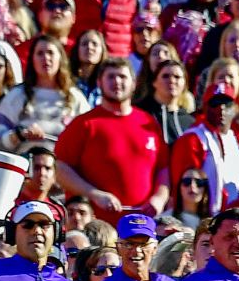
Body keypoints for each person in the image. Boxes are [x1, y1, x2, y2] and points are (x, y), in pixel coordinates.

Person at [54, 59, 170, 223]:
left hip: (141, 226)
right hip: (96, 227)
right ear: (99, 82)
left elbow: (163, 169)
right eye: (111, 77)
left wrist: (159, 198)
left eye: (122, 77)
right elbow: (60, 169)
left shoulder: (148, 123)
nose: (117, 82)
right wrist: (94, 194)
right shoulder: (84, 124)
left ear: (134, 83)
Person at [170, 82, 239, 215]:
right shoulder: (193, 138)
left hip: (231, 219)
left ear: (236, 108)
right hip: (201, 220)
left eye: (227, 103)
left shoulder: (235, 138)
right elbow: (183, 189)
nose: (221, 108)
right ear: (204, 107)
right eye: (215, 103)